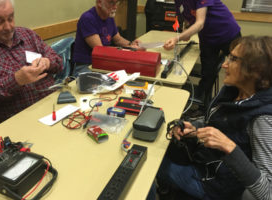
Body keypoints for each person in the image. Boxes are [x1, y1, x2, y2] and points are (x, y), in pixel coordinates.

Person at [148, 36, 272, 200]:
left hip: (216, 186)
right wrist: (195, 128)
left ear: (256, 71)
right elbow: (218, 124)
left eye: (233, 59)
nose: (224, 64)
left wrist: (230, 147)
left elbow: (267, 193)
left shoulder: (263, 119)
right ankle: (168, 190)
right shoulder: (233, 91)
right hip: (205, 161)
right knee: (158, 145)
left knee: (148, 163)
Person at [0, 0, 62, 128]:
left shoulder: (27, 34)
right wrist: (16, 80)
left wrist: (47, 62)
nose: (8, 27)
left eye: (11, 18)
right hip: (16, 124)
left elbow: (58, 62)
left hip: (53, 109)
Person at [163, 0, 241, 108]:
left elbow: (200, 23)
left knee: (241, 72)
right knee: (207, 74)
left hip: (228, 34)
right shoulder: (178, 2)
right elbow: (188, 20)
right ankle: (204, 107)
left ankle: (237, 105)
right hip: (207, 38)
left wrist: (177, 38)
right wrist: (185, 32)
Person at [72, 0, 141, 77]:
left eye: (116, 3)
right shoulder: (88, 18)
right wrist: (128, 49)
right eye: (111, 2)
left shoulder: (109, 17)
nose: (115, 7)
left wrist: (131, 44)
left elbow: (118, 39)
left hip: (102, 63)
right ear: (99, 3)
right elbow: (100, 50)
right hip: (86, 66)